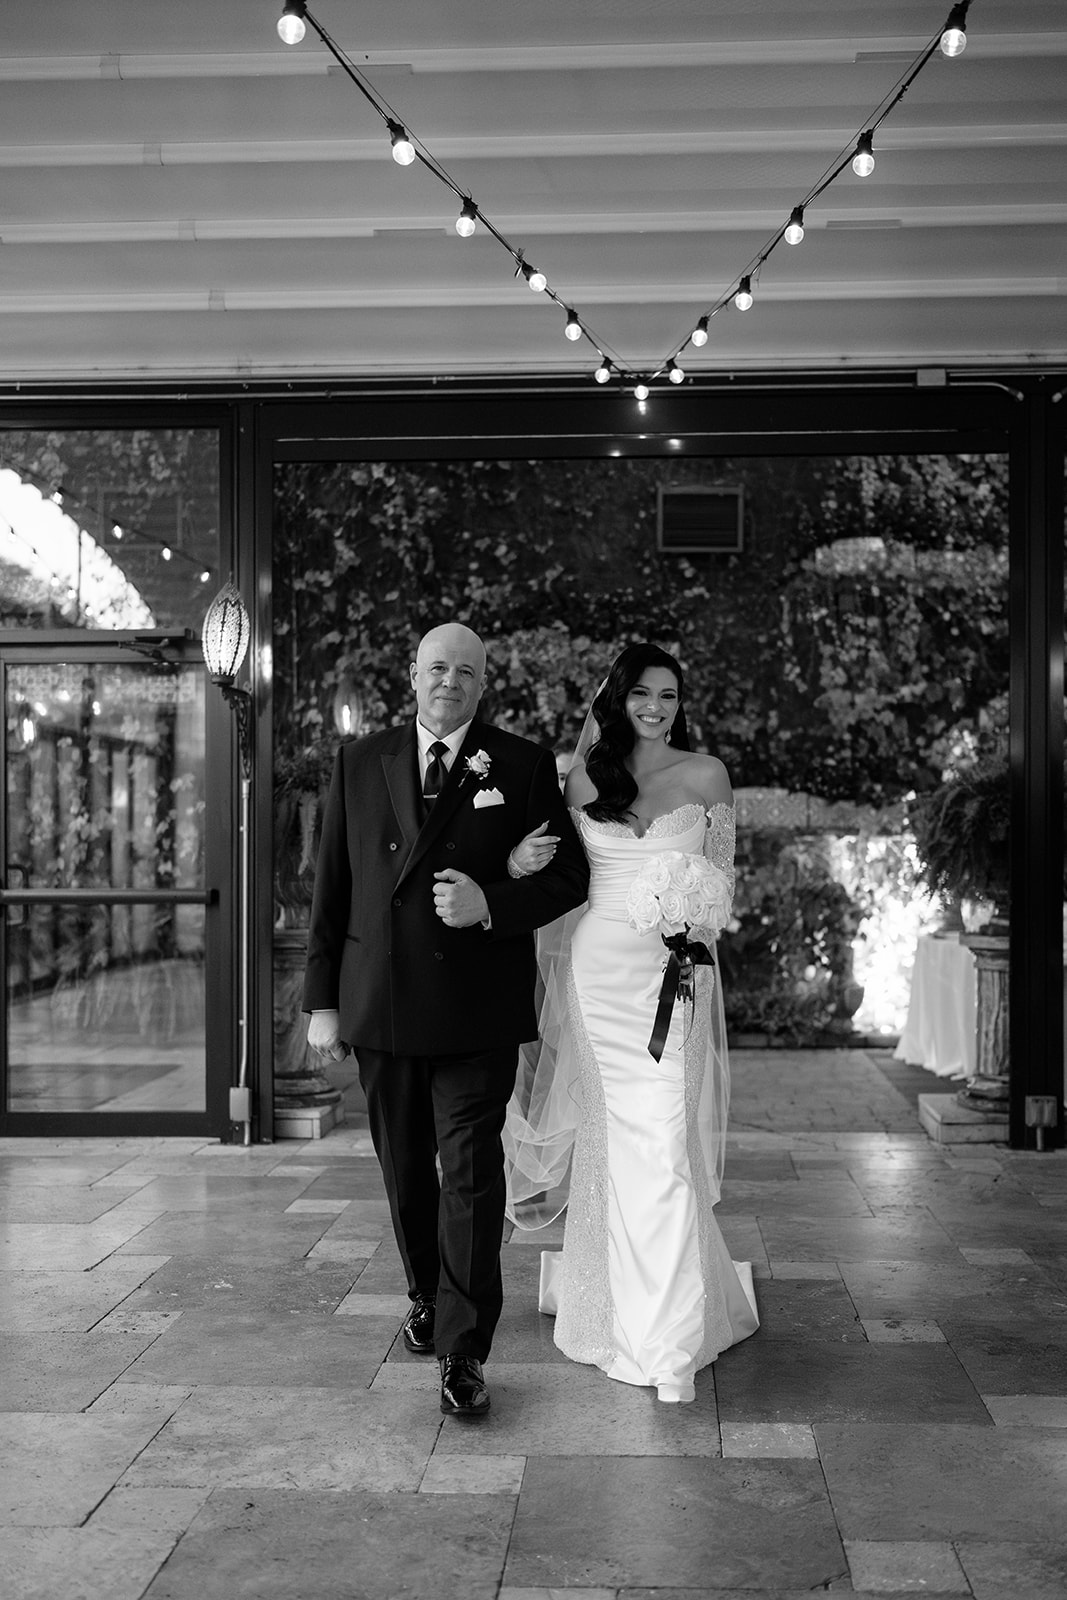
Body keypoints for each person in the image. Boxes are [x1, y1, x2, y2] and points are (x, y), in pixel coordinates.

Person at [303, 622, 589, 1419]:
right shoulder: (359, 761)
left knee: (469, 1175)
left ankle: (463, 1350)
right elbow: (331, 887)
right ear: (412, 674)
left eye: (464, 671)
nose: (448, 682)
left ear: (482, 683)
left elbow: (569, 877)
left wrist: (490, 902)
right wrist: (322, 1001)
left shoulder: (521, 765)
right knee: (404, 1169)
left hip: (475, 1007)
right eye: (436, 667)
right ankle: (426, 1294)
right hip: (381, 1002)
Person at [504, 642, 759, 1403]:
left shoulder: (707, 774)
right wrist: (516, 864)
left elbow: (722, 883)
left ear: (681, 705)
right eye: (642, 693)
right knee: (616, 1138)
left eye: (668, 694)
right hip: (599, 975)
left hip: (676, 975)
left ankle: (669, 1340)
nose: (655, 706)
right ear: (617, 699)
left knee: (666, 1140)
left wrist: (693, 921)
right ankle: (617, 1306)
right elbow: (562, 875)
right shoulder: (583, 777)